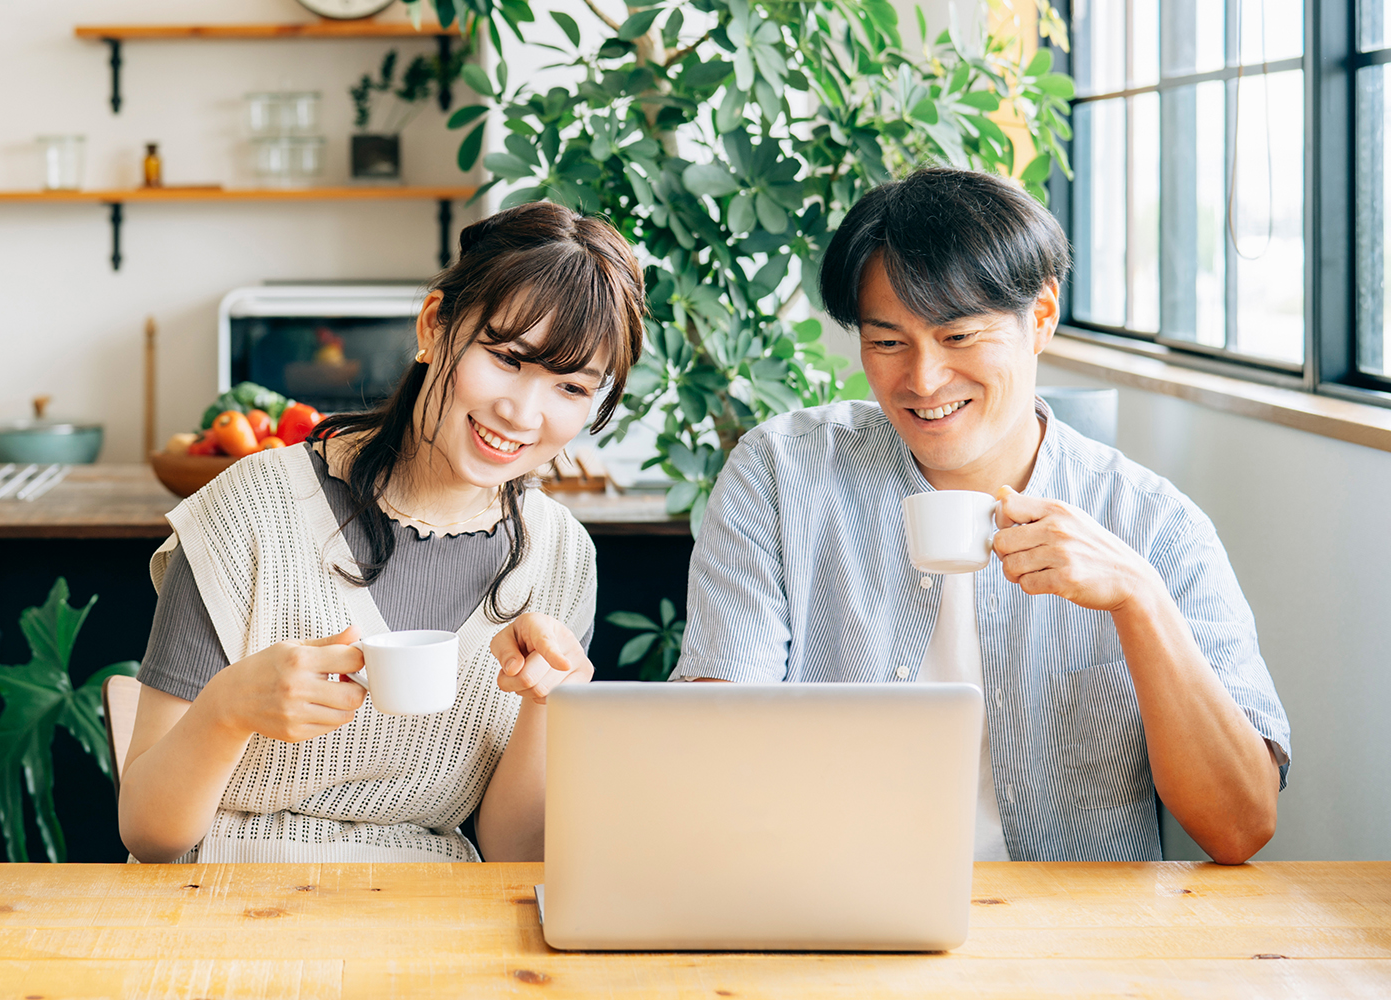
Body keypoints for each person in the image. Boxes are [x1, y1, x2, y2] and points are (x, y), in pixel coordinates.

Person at [676, 168, 1291, 864]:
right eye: (886, 342)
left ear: (1042, 317)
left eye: (960, 336)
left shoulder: (1152, 524)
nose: (923, 381)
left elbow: (1240, 826)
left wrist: (1139, 600)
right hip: (831, 910)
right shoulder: (781, 476)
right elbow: (716, 756)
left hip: (1072, 941)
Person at [119, 202, 645, 864]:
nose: (522, 412)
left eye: (570, 387)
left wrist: (547, 706)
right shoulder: (254, 508)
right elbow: (147, 831)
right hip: (227, 909)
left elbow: (514, 855)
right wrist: (226, 710)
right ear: (434, 326)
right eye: (507, 359)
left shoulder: (561, 557)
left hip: (434, 925)